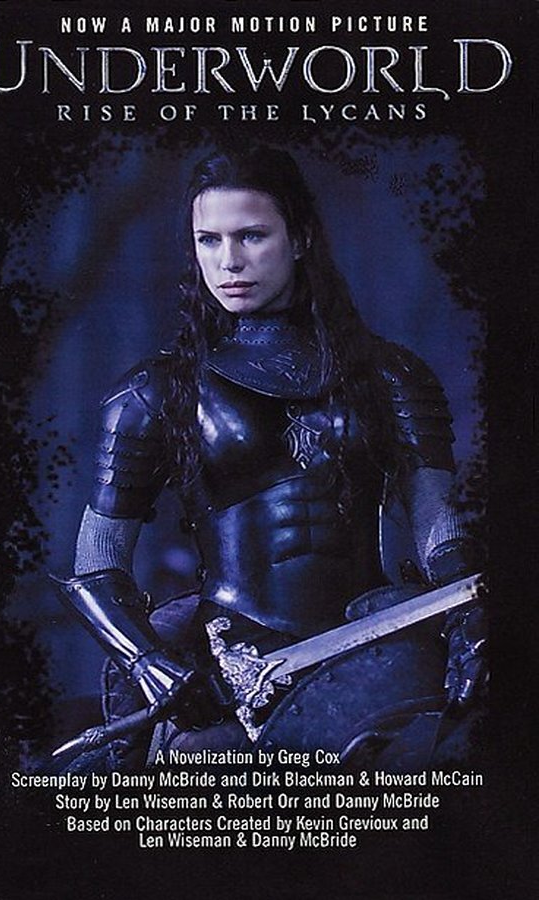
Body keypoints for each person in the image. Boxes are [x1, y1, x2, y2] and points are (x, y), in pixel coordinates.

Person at [55, 146, 486, 770]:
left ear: (300, 238)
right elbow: (96, 563)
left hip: (379, 650)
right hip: (232, 664)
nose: (228, 261)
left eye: (251, 236)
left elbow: (438, 524)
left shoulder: (391, 375)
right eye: (209, 240)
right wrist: (150, 664)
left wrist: (471, 615)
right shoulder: (156, 391)